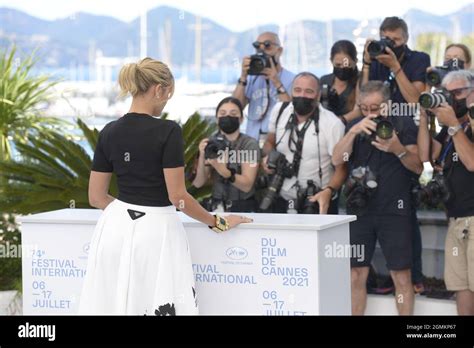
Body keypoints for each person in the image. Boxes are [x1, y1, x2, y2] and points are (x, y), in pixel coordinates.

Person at [78, 58, 252, 315]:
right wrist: (217, 222)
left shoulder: (109, 131)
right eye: (168, 94)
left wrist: (128, 211)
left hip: (113, 229)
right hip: (157, 232)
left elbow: (96, 197)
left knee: (114, 304)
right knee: (161, 302)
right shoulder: (168, 131)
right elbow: (178, 196)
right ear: (158, 89)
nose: (167, 100)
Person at [332, 81, 423, 315]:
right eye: (365, 108)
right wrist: (353, 130)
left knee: (401, 276)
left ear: (388, 104)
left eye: (376, 108)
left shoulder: (402, 124)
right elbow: (336, 159)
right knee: (355, 273)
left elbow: (418, 167)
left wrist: (397, 148)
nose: (371, 114)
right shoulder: (355, 126)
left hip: (395, 210)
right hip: (360, 210)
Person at [361, 16, 431, 294]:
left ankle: (413, 274)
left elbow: (415, 99)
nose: (390, 45)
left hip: (409, 128)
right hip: (378, 129)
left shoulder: (418, 58)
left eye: (396, 40)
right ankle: (391, 272)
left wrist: (396, 66)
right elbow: (364, 96)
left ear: (405, 38)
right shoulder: (377, 57)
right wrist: (367, 62)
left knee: (406, 208)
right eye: (386, 39)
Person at [417, 70, 474, 315]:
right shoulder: (452, 129)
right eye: (447, 94)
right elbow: (426, 156)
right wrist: (425, 118)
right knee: (461, 287)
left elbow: (471, 162)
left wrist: (453, 125)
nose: (453, 99)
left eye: (458, 92)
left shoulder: (460, 127)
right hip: (456, 219)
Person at [261, 72, 347, 214]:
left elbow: (342, 168)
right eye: (297, 90)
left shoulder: (333, 124)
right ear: (291, 92)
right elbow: (269, 142)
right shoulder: (280, 110)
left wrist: (329, 191)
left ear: (318, 95)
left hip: (316, 202)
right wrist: (268, 158)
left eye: (309, 92)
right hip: (282, 198)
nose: (302, 95)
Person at [193, 97, 261, 212]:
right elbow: (198, 183)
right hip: (217, 207)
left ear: (241, 119)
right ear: (217, 118)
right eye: (222, 113)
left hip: (243, 207)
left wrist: (224, 171)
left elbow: (247, 185)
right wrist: (202, 155)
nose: (227, 116)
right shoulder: (211, 143)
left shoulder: (249, 144)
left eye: (233, 113)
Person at [232, 32, 295, 144]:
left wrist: (276, 81)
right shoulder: (251, 78)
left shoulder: (292, 79)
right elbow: (235, 108)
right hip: (252, 141)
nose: (262, 50)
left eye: (267, 45)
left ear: (279, 51)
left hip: (278, 143)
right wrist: (243, 77)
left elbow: (291, 112)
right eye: (257, 46)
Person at [320, 40, 362, 125]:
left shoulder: (361, 81)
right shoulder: (324, 81)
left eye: (347, 65)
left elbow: (360, 109)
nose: (342, 68)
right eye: (338, 65)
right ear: (331, 61)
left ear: (355, 61)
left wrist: (339, 121)